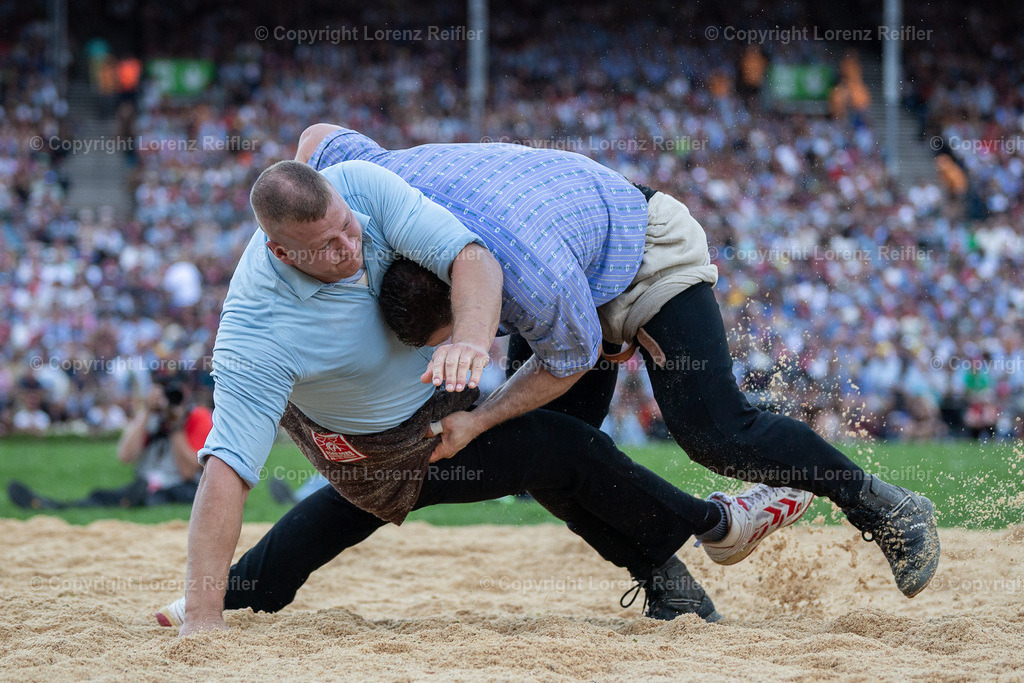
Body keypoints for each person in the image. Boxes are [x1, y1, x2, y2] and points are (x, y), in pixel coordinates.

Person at [171, 154, 813, 636]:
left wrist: (473, 343)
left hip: (439, 394)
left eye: (347, 228)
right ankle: (715, 526)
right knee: (562, 450)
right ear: (281, 251)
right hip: (378, 446)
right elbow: (226, 467)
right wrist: (203, 621)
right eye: (328, 247)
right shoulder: (258, 330)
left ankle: (243, 589)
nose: (350, 247)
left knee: (344, 519)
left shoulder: (359, 188)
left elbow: (469, 255)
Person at [296, 123, 940, 599]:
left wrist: (479, 420)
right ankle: (664, 576)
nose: (460, 343)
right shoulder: (374, 194)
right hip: (564, 256)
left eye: (459, 333)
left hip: (639, 253)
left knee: (714, 430)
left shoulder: (529, 280)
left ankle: (884, 508)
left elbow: (573, 356)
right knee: (556, 451)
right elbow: (315, 138)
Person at [7, 379, 211, 509]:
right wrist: (147, 412)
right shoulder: (152, 418)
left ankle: (133, 499)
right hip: (146, 484)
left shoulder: (197, 417)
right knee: (102, 496)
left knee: (159, 496)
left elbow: (188, 472)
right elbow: (125, 456)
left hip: (180, 487)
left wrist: (175, 425)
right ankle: (46, 504)